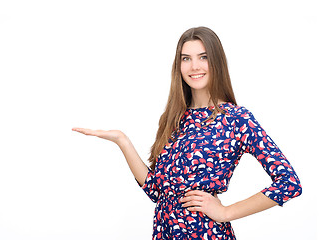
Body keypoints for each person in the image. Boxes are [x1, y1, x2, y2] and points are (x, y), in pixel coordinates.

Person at [72, 26, 302, 240]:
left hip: (205, 233)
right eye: (186, 58)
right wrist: (122, 141)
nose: (194, 66)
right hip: (165, 232)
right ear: (178, 65)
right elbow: (157, 192)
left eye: (203, 57)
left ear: (217, 63)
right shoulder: (173, 118)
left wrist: (225, 212)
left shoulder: (236, 118)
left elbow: (289, 182)